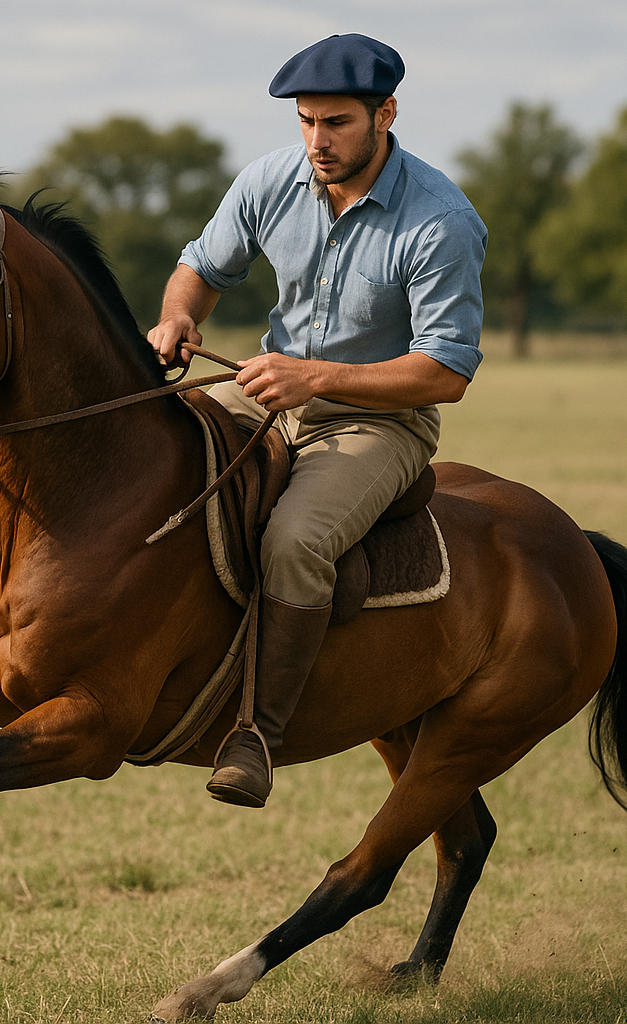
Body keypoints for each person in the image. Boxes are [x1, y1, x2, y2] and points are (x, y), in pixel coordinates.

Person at [148, 33, 487, 808]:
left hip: (382, 420)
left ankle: (257, 733)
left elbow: (447, 372)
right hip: (265, 388)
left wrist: (317, 377)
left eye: (335, 123)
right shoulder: (271, 179)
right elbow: (200, 270)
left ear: (385, 114)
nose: (316, 142)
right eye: (306, 122)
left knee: (297, 540)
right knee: (158, 454)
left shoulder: (441, 220)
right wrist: (175, 319)